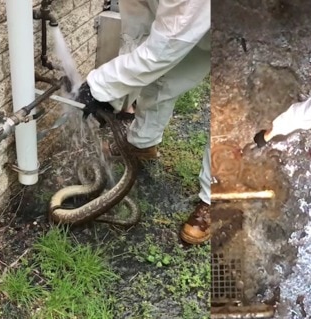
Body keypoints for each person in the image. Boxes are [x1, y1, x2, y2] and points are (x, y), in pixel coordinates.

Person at [75, 0, 212, 245]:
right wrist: (115, 96)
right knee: (164, 77)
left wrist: (99, 86)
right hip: (190, 19)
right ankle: (143, 143)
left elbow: (165, 47)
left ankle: (215, 200)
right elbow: (139, 34)